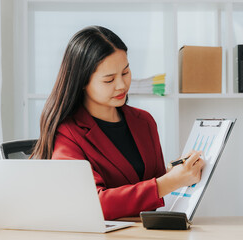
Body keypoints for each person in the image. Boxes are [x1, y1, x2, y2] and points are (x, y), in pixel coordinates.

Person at [31, 26, 205, 220]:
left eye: (125, 72)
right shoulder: (68, 133)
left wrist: (178, 172)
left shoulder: (144, 122)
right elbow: (91, 203)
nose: (121, 85)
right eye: (109, 80)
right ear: (81, 82)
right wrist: (168, 183)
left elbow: (152, 182)